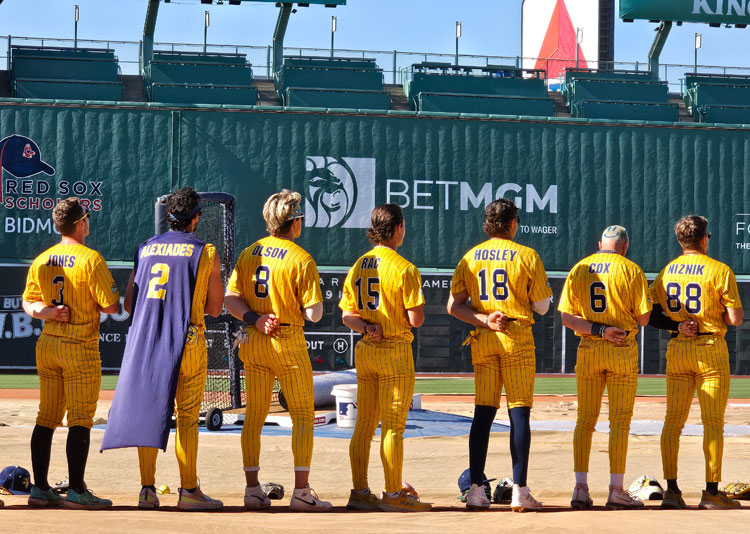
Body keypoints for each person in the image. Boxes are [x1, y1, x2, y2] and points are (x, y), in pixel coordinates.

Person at [101, 187, 224, 511]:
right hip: (188, 341)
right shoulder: (206, 251)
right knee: (186, 418)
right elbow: (214, 308)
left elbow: (130, 302)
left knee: (148, 413)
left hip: (150, 340)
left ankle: (146, 490)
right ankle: (189, 491)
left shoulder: (145, 248)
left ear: (168, 216)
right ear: (196, 218)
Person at [224, 189, 330, 512]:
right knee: (302, 418)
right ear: (293, 222)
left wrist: (255, 319)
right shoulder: (301, 259)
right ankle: (301, 493)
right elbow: (313, 313)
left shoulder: (249, 252)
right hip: (288, 343)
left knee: (253, 418)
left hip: (254, 341)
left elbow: (231, 301)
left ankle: (252, 489)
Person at [447, 198, 552, 512]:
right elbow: (543, 306)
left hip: (484, 337)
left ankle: (476, 490)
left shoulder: (472, 256)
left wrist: (484, 318)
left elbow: (455, 306)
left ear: (486, 224)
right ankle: (520, 489)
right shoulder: (527, 255)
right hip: (516, 337)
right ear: (513, 223)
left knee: (483, 415)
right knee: (518, 414)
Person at [22, 197, 120, 509]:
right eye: (87, 218)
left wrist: (48, 313)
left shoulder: (42, 259)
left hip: (48, 343)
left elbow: (29, 302)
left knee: (46, 417)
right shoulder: (90, 259)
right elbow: (111, 306)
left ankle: (40, 487)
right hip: (79, 346)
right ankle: (77, 488)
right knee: (80, 418)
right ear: (81, 223)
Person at [339, 203, 431, 512]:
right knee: (393, 429)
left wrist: (367, 326)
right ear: (398, 228)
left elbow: (347, 316)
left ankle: (360, 491)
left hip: (366, 350)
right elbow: (416, 319)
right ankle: (393, 494)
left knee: (363, 426)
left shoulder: (359, 264)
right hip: (394, 352)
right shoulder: (405, 268)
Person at [648, 215, 743, 510]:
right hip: (711, 349)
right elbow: (735, 319)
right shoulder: (720, 270)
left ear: (680, 240)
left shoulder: (667, 271)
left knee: (672, 423)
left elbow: (649, 315)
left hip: (679, 349)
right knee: (712, 423)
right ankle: (712, 493)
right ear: (704, 239)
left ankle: (672, 491)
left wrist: (678, 325)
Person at [558, 225, 652, 510]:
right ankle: (616, 489)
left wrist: (599, 330)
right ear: (624, 246)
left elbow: (566, 318)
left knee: (584, 421)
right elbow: (644, 318)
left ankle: (581, 487)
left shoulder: (580, 268)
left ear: (600, 244)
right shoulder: (631, 269)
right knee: (620, 423)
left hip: (589, 348)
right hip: (622, 350)